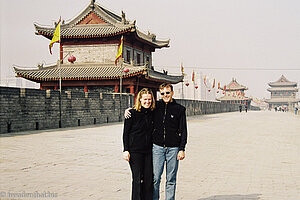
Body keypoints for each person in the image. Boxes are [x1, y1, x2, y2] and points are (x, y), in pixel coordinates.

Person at [125, 83, 188, 200]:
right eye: (163, 93)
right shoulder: (156, 107)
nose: (165, 95)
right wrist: (129, 110)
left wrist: (182, 148)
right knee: (155, 179)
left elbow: (183, 130)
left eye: (168, 93)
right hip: (157, 148)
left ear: (172, 93)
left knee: (171, 179)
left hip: (173, 149)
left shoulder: (180, 109)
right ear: (160, 94)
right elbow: (143, 108)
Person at [122, 88, 155, 200]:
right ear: (139, 99)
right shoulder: (131, 114)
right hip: (135, 152)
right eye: (145, 99)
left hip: (149, 151)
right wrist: (126, 150)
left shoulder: (153, 112)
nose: (147, 102)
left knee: (149, 179)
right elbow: (125, 133)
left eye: (149, 99)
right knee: (137, 179)